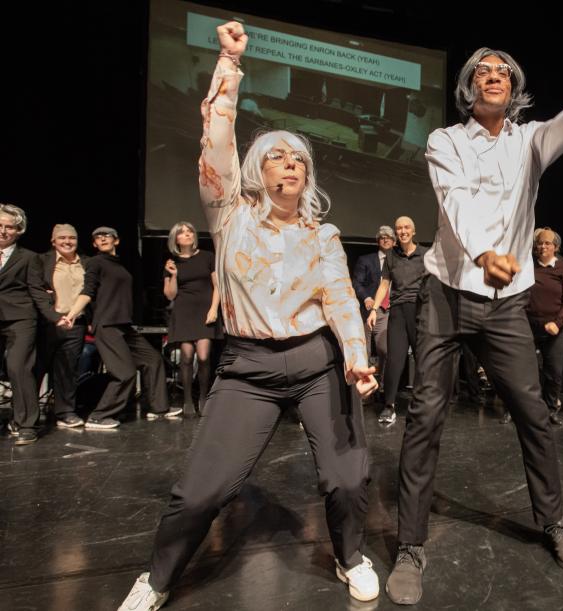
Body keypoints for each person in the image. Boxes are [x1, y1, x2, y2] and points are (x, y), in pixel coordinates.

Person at [116, 22, 381, 610]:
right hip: (248, 368)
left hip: (317, 363)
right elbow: (216, 141)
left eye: (299, 160)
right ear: (258, 170)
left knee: (346, 479)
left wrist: (357, 362)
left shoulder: (324, 234)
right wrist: (229, 65)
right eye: (277, 158)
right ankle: (156, 579)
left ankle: (350, 555)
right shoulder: (229, 216)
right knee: (200, 493)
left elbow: (340, 297)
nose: (291, 165)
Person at [385, 42, 563, 606]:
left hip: (506, 302)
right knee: (425, 417)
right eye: (482, 72)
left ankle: (553, 522)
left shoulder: (529, 140)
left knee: (534, 413)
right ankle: (409, 545)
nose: (492, 77)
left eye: (503, 73)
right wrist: (482, 254)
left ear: (514, 90)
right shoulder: (444, 140)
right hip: (448, 294)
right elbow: (455, 201)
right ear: (469, 88)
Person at [61, 227, 180, 428]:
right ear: (94, 244)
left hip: (124, 326)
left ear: (116, 241)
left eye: (106, 236)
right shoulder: (95, 262)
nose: (102, 239)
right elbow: (87, 291)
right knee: (124, 373)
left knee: (153, 360)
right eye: (97, 237)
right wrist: (72, 315)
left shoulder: (120, 265)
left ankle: (159, 408)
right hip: (107, 326)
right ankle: (99, 416)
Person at [366, 216, 427, 425]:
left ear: (413, 231)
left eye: (406, 227)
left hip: (420, 311)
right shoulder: (391, 256)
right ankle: (389, 405)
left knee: (423, 359)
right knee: (395, 359)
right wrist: (374, 309)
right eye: (399, 228)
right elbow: (384, 284)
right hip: (398, 312)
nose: (403, 231)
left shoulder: (425, 254)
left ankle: (423, 405)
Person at [29, 223, 87, 428]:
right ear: (53, 241)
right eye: (62, 238)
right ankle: (27, 415)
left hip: (76, 324)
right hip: (48, 322)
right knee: (37, 367)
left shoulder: (86, 262)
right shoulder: (41, 260)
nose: (67, 242)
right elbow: (35, 289)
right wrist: (54, 316)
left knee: (67, 370)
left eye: (72, 238)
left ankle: (65, 412)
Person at [163, 221, 221, 416]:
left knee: (204, 356)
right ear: (176, 239)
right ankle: (187, 400)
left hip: (205, 310)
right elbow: (170, 295)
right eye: (182, 232)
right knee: (187, 357)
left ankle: (203, 397)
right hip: (184, 312)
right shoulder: (172, 262)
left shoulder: (207, 257)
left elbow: (218, 286)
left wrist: (214, 309)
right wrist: (173, 275)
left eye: (190, 231)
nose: (188, 234)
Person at [525, 227, 563, 425]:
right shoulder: (528, 265)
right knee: (525, 371)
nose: (542, 246)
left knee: (553, 372)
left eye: (547, 243)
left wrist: (558, 322)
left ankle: (551, 409)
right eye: (540, 243)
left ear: (556, 247)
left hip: (555, 327)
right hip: (529, 325)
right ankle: (520, 410)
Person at [0, 204, 40, 445]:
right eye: (0, 226)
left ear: (19, 230)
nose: (3, 231)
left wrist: (55, 316)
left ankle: (26, 424)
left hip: (20, 318)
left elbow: (36, 290)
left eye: (9, 227)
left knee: (18, 367)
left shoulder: (29, 257)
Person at [352, 225, 396, 395]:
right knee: (364, 351)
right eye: (382, 237)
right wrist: (367, 298)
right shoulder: (366, 259)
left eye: (389, 237)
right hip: (367, 310)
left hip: (387, 310)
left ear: (394, 241)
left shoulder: (398, 261)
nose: (385, 239)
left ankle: (382, 386)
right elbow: (357, 283)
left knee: (384, 349)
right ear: (378, 241)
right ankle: (363, 391)